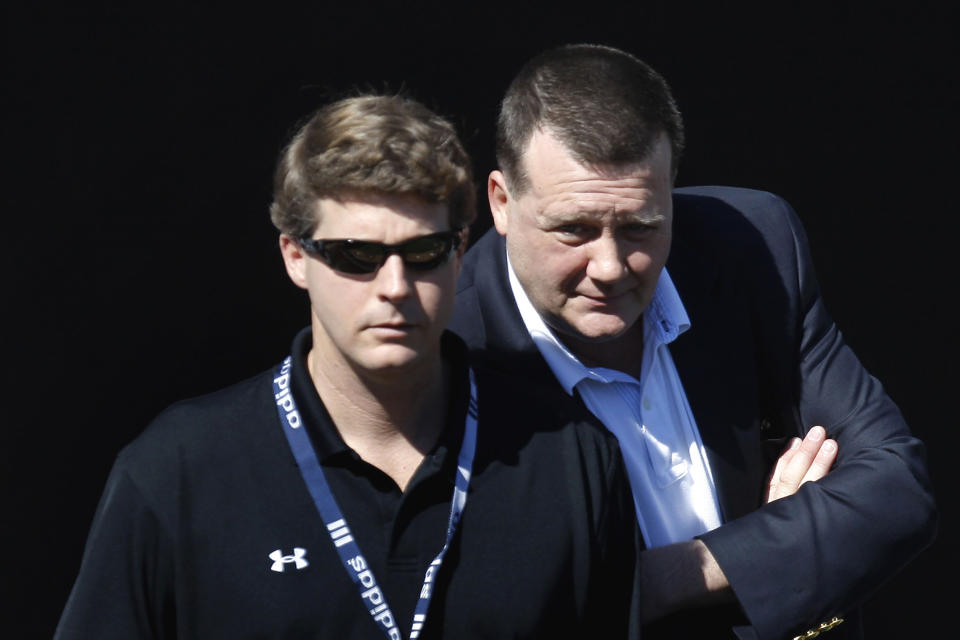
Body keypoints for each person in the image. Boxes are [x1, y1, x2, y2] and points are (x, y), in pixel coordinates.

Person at [53, 94, 643, 639]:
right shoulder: (178, 470)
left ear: (460, 253)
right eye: (355, 256)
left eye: (422, 253)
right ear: (295, 257)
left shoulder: (571, 456)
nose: (395, 287)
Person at [449, 43, 938, 640]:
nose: (609, 265)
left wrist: (663, 577)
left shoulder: (752, 246)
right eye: (573, 229)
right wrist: (780, 543)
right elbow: (511, 611)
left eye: (639, 227)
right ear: (501, 202)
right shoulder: (451, 356)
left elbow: (897, 487)